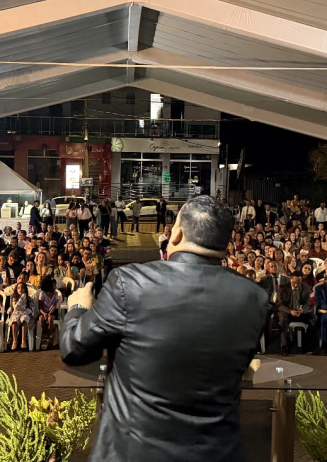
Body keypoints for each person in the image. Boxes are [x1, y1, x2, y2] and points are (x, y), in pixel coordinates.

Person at [60, 195, 268, 462]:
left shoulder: (129, 283)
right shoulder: (255, 298)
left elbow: (75, 350)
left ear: (178, 234)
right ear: (226, 244)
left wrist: (79, 308)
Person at [7, 281, 35, 350]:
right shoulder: (14, 299)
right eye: (18, 288)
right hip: (16, 313)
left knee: (24, 319)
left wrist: (24, 313)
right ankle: (14, 341)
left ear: (25, 289)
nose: (20, 289)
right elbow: (16, 307)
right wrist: (22, 298)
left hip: (25, 314)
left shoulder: (29, 299)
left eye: (22, 288)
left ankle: (23, 341)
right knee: (14, 320)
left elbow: (31, 308)